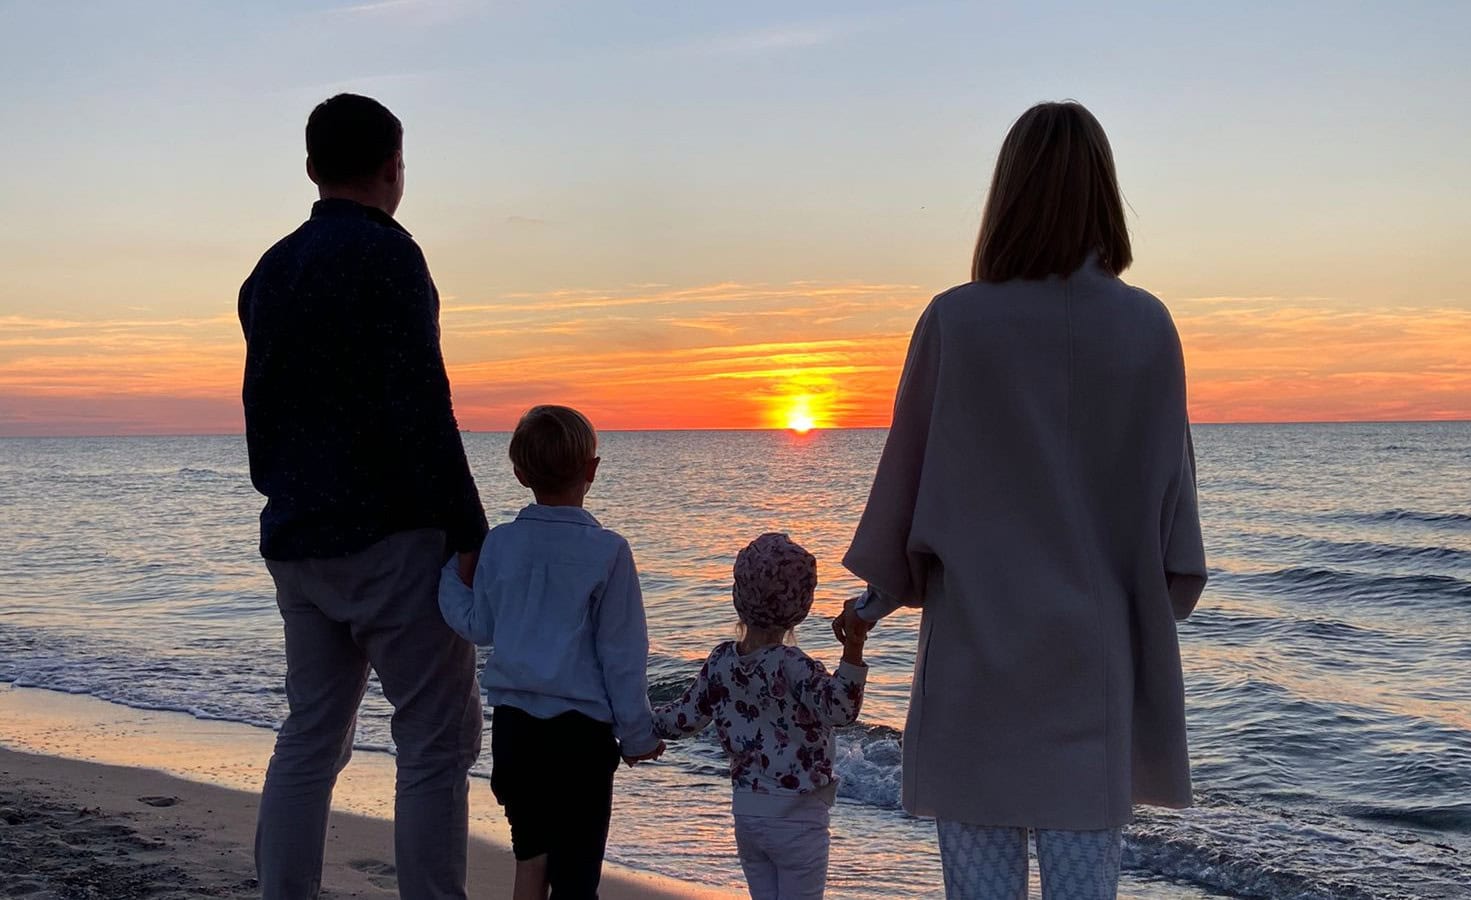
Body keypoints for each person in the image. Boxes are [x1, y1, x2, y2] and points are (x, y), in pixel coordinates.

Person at [832, 101, 1207, 900]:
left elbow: (900, 515)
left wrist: (875, 603)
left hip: (976, 669)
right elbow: (1177, 551)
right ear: (1105, 193)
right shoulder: (1149, 329)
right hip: (1091, 670)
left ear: (1007, 194)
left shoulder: (954, 322)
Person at [238, 93, 488, 899]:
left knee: (311, 736)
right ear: (393, 169)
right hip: (392, 533)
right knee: (434, 744)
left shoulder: (269, 272)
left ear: (311, 169)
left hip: (298, 536)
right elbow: (421, 401)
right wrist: (470, 526)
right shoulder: (390, 257)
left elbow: (263, 407)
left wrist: (281, 493)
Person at [439, 405, 664, 900]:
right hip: (581, 736)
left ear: (519, 474)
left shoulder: (500, 544)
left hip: (516, 730)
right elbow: (622, 654)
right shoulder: (608, 552)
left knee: (530, 856)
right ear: (591, 470)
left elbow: (478, 626)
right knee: (576, 875)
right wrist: (637, 733)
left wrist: (448, 577)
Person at [653, 532, 867, 900]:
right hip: (799, 817)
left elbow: (682, 720)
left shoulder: (722, 661)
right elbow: (841, 710)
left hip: (749, 815)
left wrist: (633, 718)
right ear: (801, 605)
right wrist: (854, 645)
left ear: (740, 597)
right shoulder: (793, 665)